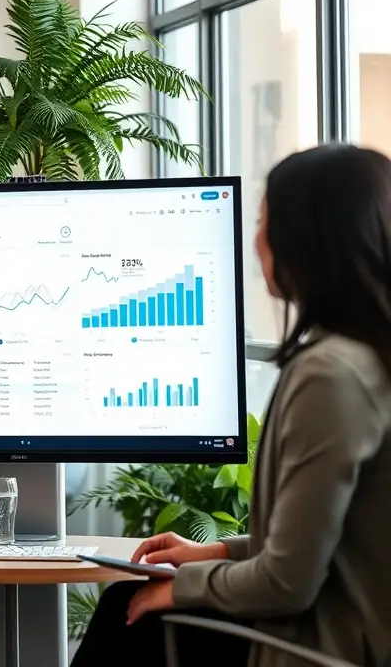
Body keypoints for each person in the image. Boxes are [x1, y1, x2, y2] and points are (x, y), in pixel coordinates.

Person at [71, 143, 391, 667]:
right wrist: (217, 551)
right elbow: (323, 535)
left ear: (306, 242)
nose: (256, 240)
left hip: (325, 644)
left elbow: (288, 582)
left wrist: (184, 586)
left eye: (265, 223)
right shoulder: (367, 355)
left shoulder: (331, 376)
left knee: (125, 611)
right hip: (353, 625)